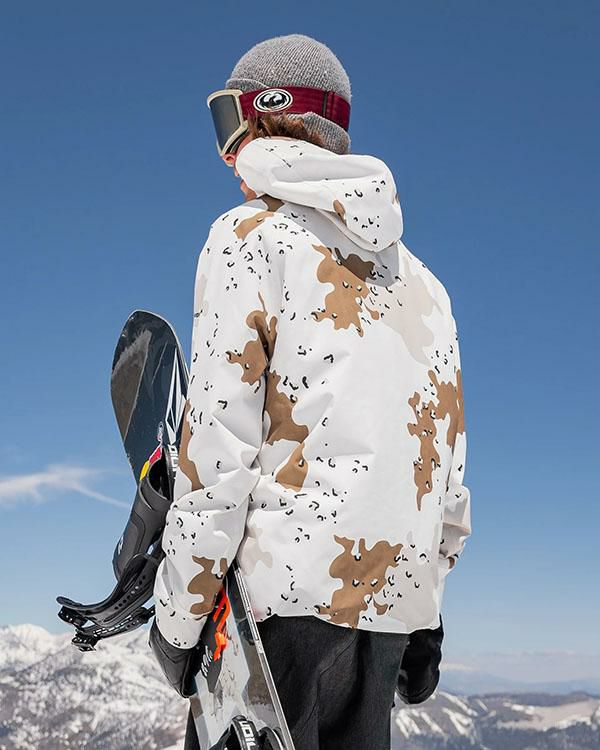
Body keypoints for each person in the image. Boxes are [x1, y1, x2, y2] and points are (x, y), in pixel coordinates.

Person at [149, 33, 472, 750]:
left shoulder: (249, 236)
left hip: (277, 620)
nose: (226, 155)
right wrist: (426, 616)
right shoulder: (427, 287)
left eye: (227, 123)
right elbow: (443, 474)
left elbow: (218, 451)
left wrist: (180, 617)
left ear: (267, 115)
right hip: (388, 619)